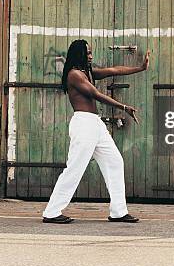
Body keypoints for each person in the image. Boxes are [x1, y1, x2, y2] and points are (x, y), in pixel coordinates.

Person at [42, 39, 150, 224]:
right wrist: (123, 107)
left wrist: (140, 68)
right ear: (79, 54)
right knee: (75, 168)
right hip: (84, 124)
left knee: (115, 162)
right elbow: (96, 95)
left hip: (95, 124)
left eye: (91, 53)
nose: (91, 56)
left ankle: (118, 211)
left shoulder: (88, 72)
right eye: (88, 53)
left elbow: (114, 70)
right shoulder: (74, 75)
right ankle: (51, 212)